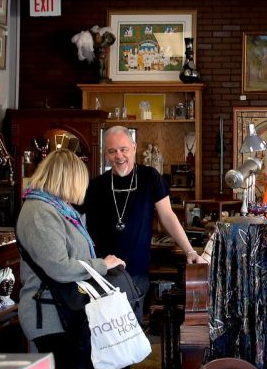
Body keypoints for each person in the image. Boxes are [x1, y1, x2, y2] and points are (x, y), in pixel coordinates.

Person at [16, 149, 126, 369]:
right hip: (51, 317)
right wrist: (102, 265)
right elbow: (59, 267)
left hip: (66, 310)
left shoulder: (59, 209)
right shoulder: (40, 212)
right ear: (68, 179)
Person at [83, 125, 202, 321]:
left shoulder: (149, 178)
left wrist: (190, 251)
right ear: (106, 154)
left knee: (133, 338)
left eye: (123, 150)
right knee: (105, 340)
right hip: (102, 274)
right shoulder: (96, 185)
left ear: (134, 147)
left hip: (136, 273)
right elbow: (74, 222)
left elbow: (168, 216)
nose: (119, 156)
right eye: (112, 151)